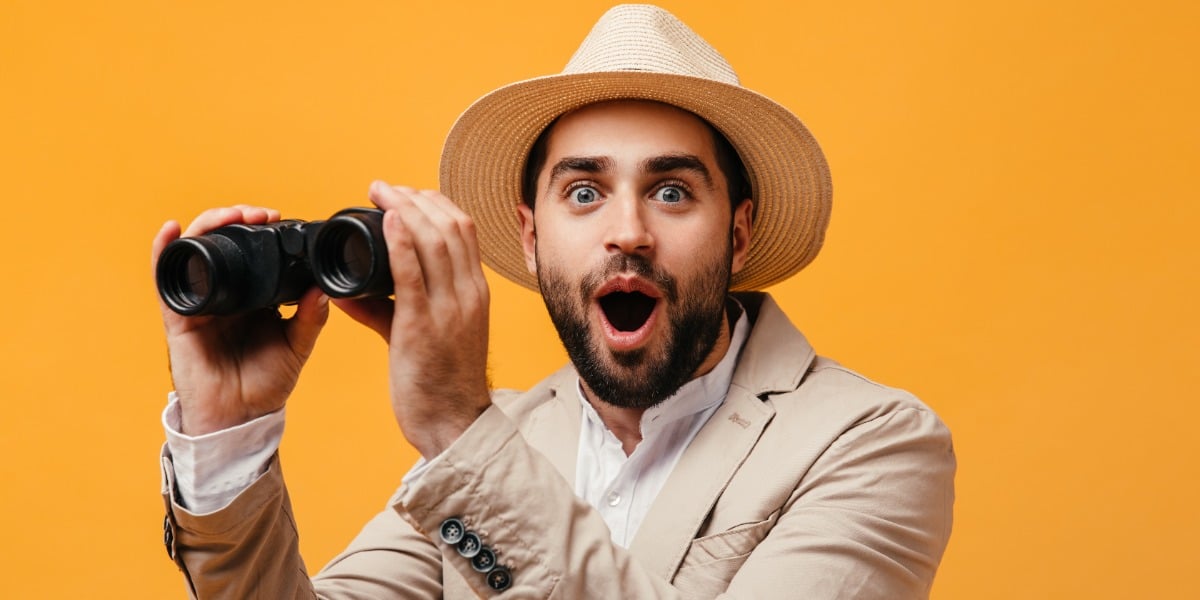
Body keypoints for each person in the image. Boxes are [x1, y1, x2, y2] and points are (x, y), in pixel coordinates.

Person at [155, 4, 955, 598]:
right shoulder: (498, 443)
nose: (628, 233)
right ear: (531, 239)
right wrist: (230, 440)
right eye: (584, 192)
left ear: (738, 236)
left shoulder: (873, 445)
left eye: (672, 191)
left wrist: (460, 431)